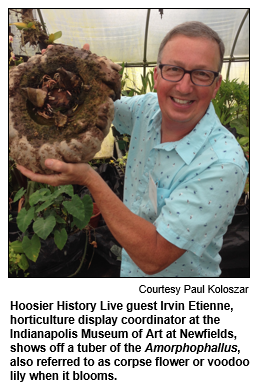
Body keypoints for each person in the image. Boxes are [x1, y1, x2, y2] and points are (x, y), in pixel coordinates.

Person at [17, 21, 249, 277]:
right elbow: (98, 106)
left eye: (202, 74)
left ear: (216, 85)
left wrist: (90, 179)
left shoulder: (223, 164)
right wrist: (78, 79)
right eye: (174, 69)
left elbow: (153, 257)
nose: (184, 87)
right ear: (157, 75)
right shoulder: (147, 109)